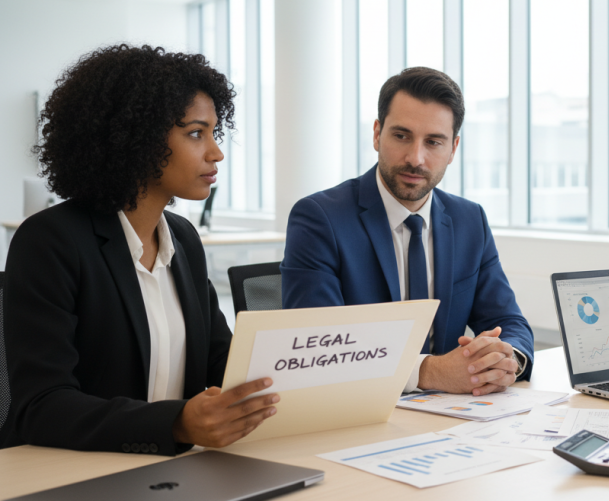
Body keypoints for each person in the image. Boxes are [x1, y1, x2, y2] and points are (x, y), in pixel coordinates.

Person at [0, 45, 278, 455]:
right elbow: (42, 405)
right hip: (71, 471)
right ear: (139, 138)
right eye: (196, 133)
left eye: (214, 133)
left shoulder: (182, 239)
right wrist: (178, 423)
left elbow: (221, 359)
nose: (216, 152)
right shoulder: (50, 241)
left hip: (167, 471)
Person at [281, 66, 534, 396]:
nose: (416, 158)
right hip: (356, 409)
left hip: (449, 416)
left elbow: (510, 323)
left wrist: (505, 361)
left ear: (453, 148)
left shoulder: (469, 219)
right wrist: (429, 372)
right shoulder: (320, 218)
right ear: (377, 134)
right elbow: (320, 350)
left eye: (433, 142)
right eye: (401, 136)